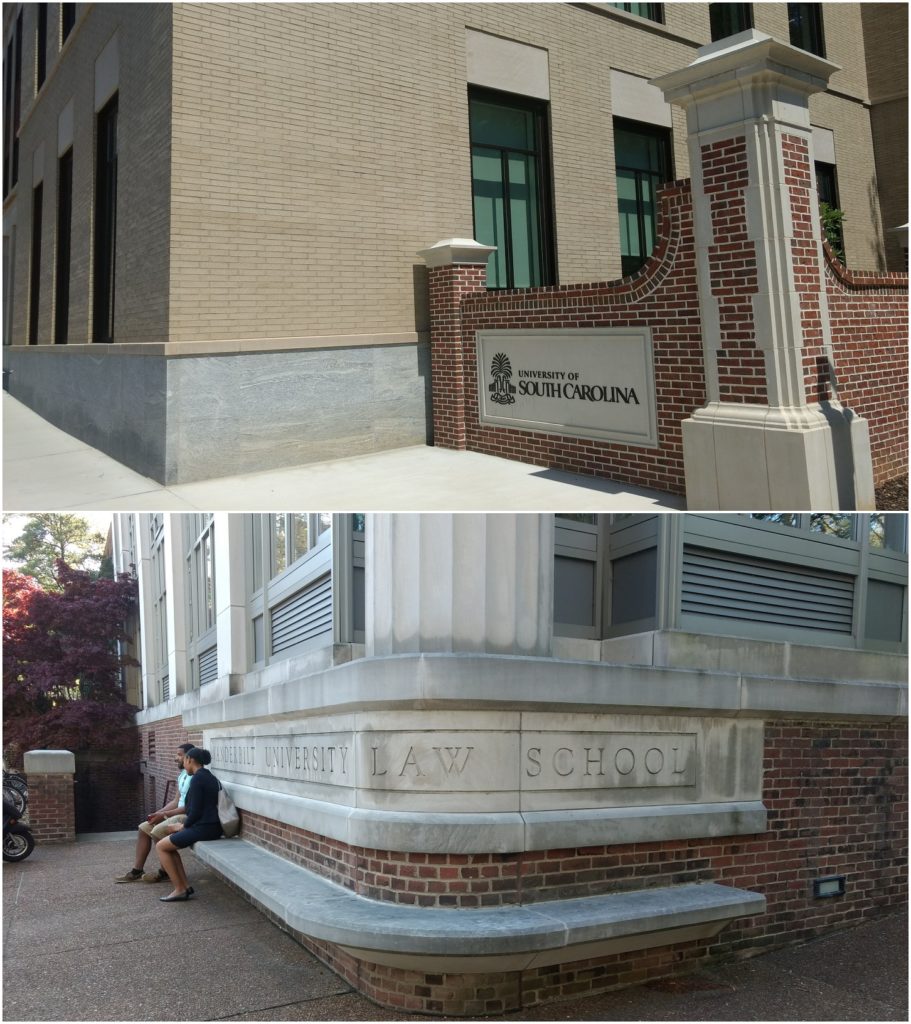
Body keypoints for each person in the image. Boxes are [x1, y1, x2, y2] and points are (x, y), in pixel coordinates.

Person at [115, 743, 194, 883]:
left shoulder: (196, 778)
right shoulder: (183, 774)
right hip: (176, 812)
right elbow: (176, 801)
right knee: (143, 828)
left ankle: (166, 871)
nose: (176, 758)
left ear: (190, 757)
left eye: (179, 755)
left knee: (158, 830)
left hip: (186, 816)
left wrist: (164, 816)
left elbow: (189, 807)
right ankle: (137, 871)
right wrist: (157, 813)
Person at [155, 746, 223, 902]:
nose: (183, 765)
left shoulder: (198, 779)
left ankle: (179, 889)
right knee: (169, 847)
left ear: (189, 760)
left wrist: (182, 826)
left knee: (161, 846)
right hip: (210, 826)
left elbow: (195, 811)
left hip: (205, 828)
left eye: (184, 760)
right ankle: (184, 887)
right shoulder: (208, 776)